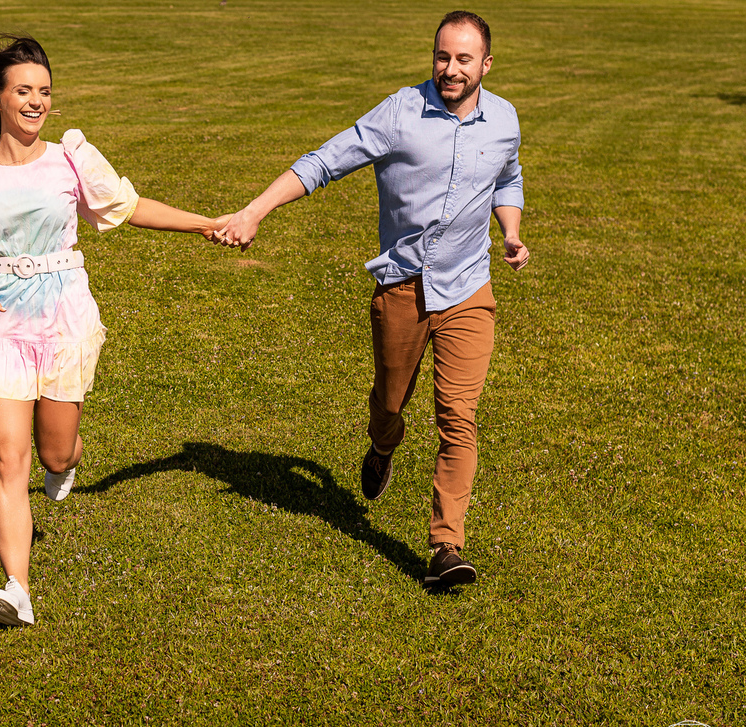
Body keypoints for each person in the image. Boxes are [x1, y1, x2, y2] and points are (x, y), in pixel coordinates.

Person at [0, 35, 228, 626]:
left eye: (45, 91)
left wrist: (205, 223)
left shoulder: (70, 158)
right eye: (24, 91)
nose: (37, 101)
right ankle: (17, 588)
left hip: (62, 314)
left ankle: (65, 464)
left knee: (54, 451)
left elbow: (128, 208)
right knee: (8, 456)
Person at [216, 11, 529, 588]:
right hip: (403, 287)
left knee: (458, 416)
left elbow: (507, 177)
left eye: (463, 59)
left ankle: (446, 547)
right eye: (442, 56)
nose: (450, 69)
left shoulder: (504, 119)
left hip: (468, 287)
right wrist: (255, 210)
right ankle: (382, 445)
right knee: (389, 404)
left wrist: (509, 230)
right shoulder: (400, 113)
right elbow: (324, 162)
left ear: (486, 64)